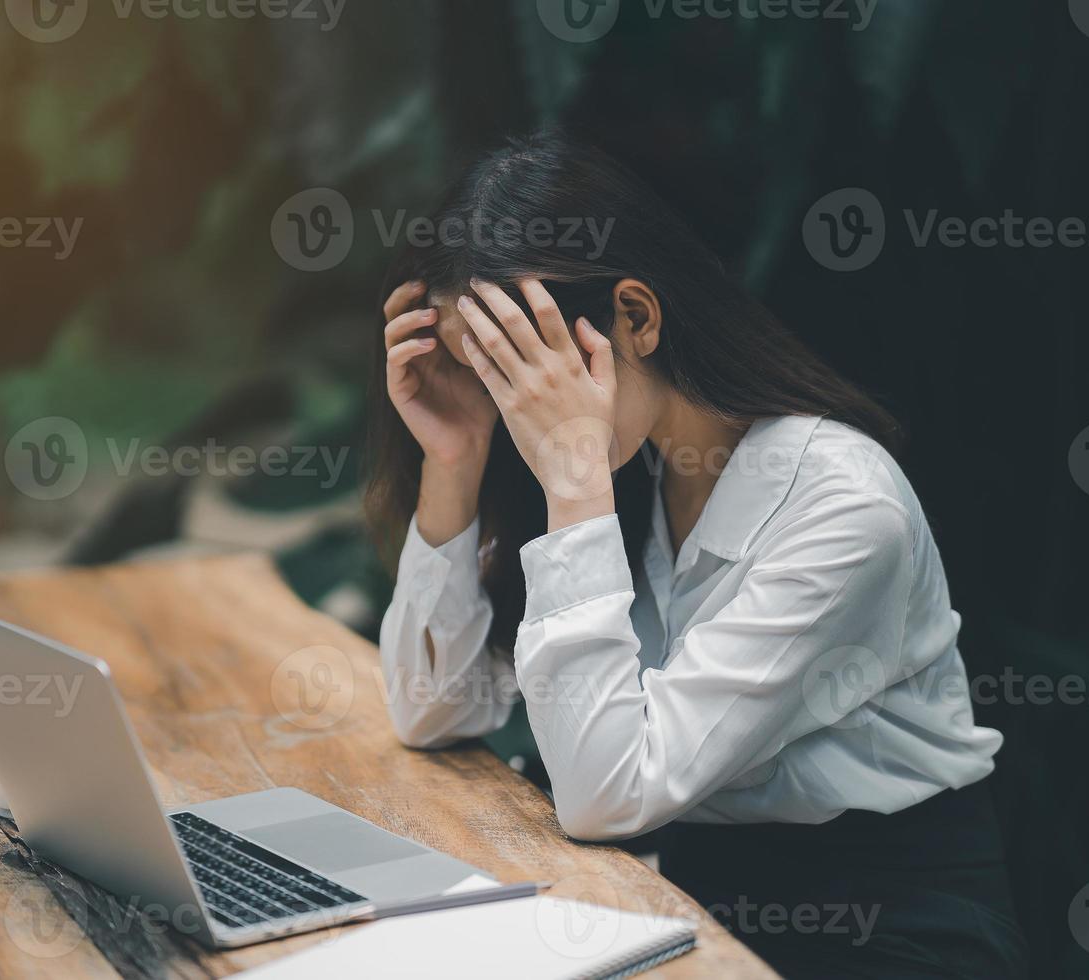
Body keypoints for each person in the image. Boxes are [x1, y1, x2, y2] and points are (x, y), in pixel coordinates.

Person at [366, 130, 1027, 978]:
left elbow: (608, 795)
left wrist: (572, 483)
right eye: (483, 371)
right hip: (684, 896)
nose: (513, 405)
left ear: (634, 318)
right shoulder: (625, 466)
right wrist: (453, 463)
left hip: (885, 925)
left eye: (524, 368)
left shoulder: (842, 509)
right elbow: (433, 711)